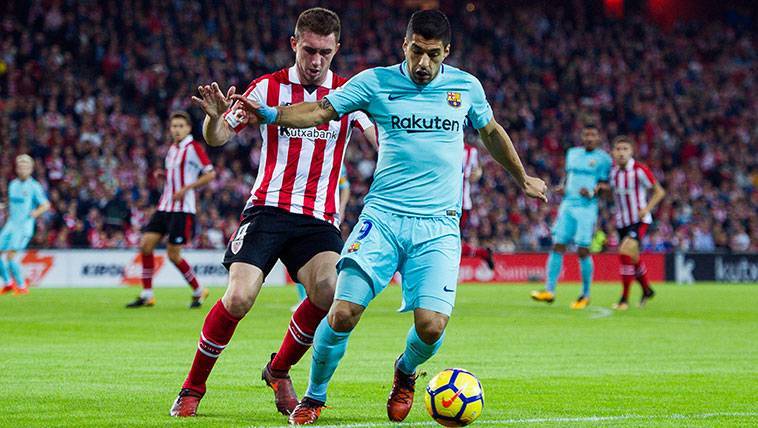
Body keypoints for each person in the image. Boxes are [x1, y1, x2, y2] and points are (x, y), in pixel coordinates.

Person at [230, 9, 547, 425]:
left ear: (446, 52)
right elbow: (319, 111)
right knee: (341, 312)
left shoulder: (466, 87)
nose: (422, 63)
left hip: (438, 226)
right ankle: (314, 395)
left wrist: (522, 177)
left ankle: (405, 371)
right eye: (416, 51)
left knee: (432, 326)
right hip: (382, 218)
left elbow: (491, 132)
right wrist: (270, 114)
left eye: (432, 55)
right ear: (405, 44)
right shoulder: (375, 82)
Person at [169, 7, 376, 418]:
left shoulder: (349, 94)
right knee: (240, 297)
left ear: (337, 50)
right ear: (294, 44)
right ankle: (192, 387)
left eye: (326, 53)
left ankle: (279, 369)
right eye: (310, 50)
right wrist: (212, 120)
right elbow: (220, 135)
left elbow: (376, 141)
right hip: (267, 210)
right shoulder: (267, 88)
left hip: (318, 220)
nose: (316, 61)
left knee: (329, 290)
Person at [126, 111, 216, 309]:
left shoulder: (193, 148)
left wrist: (187, 188)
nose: (176, 129)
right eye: (174, 126)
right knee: (146, 245)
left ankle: (199, 289)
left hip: (183, 209)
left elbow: (210, 174)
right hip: (165, 206)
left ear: (188, 128)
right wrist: (165, 176)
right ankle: (147, 294)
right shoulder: (172, 149)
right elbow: (176, 176)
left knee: (173, 255)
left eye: (180, 126)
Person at [531, 122, 612, 309]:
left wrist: (593, 191)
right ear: (582, 136)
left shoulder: (604, 159)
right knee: (558, 245)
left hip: (586, 208)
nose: (589, 138)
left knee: (583, 249)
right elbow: (568, 177)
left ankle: (585, 294)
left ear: (598, 137)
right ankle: (549, 291)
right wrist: (563, 187)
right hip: (567, 204)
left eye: (593, 135)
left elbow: (607, 186)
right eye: (586, 135)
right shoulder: (572, 154)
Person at [609, 136, 666, 310]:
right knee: (633, 258)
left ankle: (624, 300)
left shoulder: (640, 170)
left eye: (625, 149)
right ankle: (647, 289)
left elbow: (659, 192)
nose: (621, 153)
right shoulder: (613, 173)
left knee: (625, 252)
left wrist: (647, 209)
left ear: (631, 152)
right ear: (613, 152)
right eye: (618, 149)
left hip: (638, 220)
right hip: (622, 222)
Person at [291, 165, 352, 312]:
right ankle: (304, 299)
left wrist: (341, 208)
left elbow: (345, 187)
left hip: (327, 214)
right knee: (300, 257)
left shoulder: (335, 160)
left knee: (333, 255)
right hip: (303, 212)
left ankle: (340, 295)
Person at [0, 155, 50, 295]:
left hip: (23, 227)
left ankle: (22, 287)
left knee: (10, 256)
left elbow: (46, 205)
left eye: (25, 167)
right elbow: (12, 203)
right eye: (20, 166)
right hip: (10, 225)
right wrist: (3, 206)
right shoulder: (13, 185)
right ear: (16, 168)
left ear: (31, 169)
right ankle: (8, 284)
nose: (22, 169)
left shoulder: (34, 186)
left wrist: (35, 213)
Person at [459, 141, 494, 269]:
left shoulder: (470, 151)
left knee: (450, 244)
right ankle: (482, 253)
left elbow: (476, 171)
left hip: (461, 205)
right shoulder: (441, 144)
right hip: (443, 203)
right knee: (449, 244)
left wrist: (478, 173)